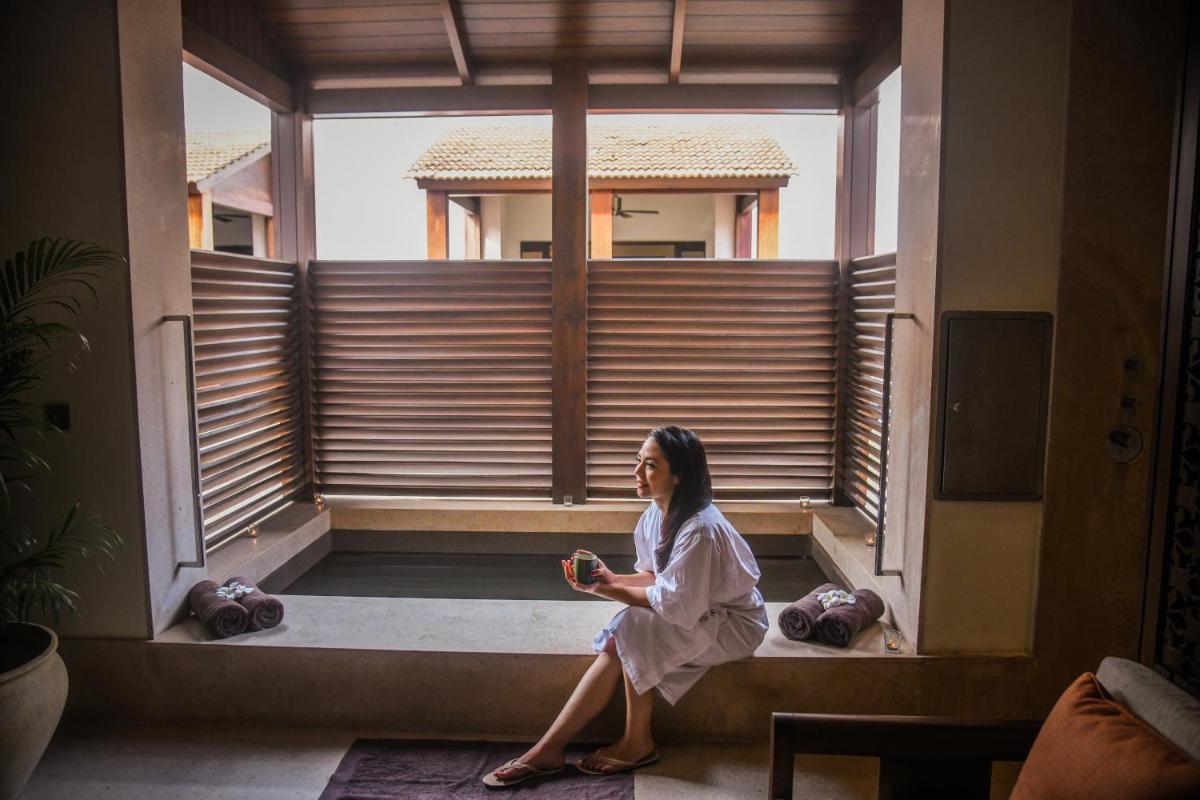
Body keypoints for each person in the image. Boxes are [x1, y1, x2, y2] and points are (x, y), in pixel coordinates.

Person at [483, 425, 769, 788]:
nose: (637, 473)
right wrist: (610, 578)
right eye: (638, 462)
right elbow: (656, 578)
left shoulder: (700, 529)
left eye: (650, 465)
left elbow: (675, 606)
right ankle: (555, 748)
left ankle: (623, 743)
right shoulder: (657, 513)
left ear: (679, 475)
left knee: (631, 625)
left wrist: (602, 590)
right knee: (627, 632)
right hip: (699, 610)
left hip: (736, 624)